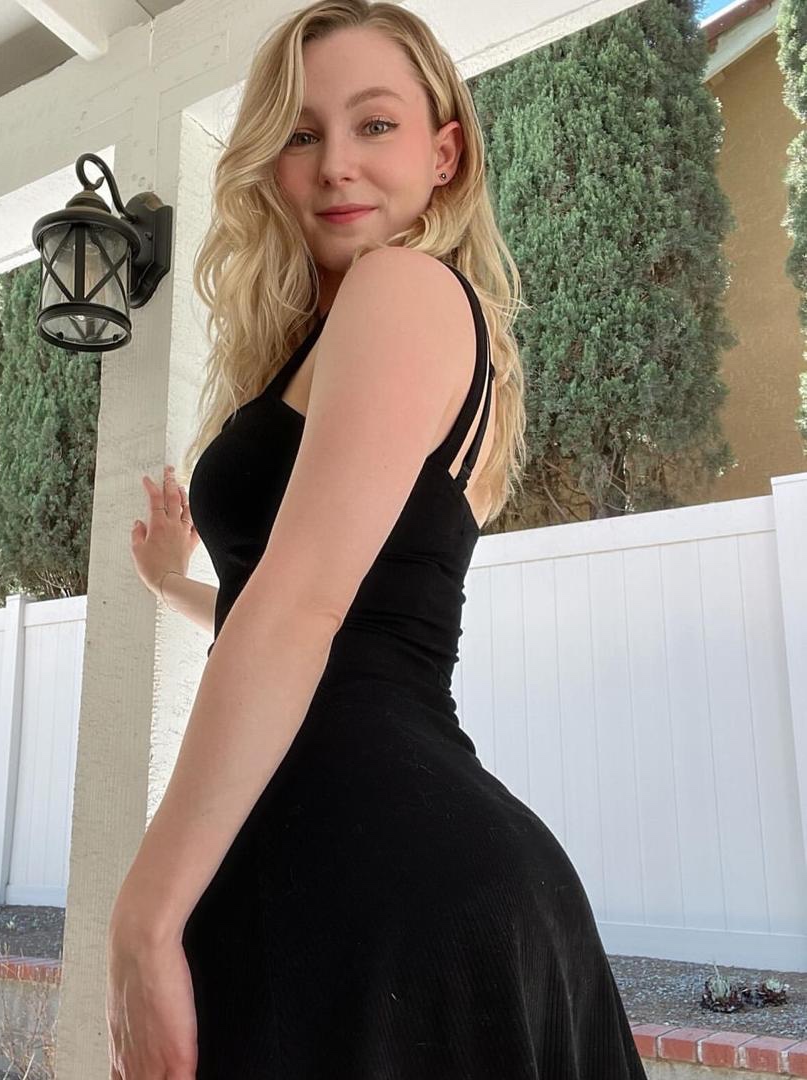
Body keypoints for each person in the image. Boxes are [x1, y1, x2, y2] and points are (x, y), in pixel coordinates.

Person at [107, 1, 649, 1077]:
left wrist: (143, 918)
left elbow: (304, 607)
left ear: (443, 153)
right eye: (301, 133)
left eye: (375, 124)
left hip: (374, 876)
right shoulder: (359, 333)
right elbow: (341, 618)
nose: (335, 165)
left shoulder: (401, 286)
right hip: (380, 862)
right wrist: (176, 587)